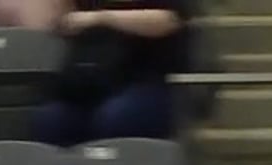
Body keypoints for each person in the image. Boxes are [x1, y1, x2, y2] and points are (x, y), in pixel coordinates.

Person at [32, 0, 189, 148]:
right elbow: (57, 21)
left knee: (117, 117)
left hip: (145, 78)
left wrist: (101, 18)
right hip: (88, 77)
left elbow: (170, 20)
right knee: (52, 119)